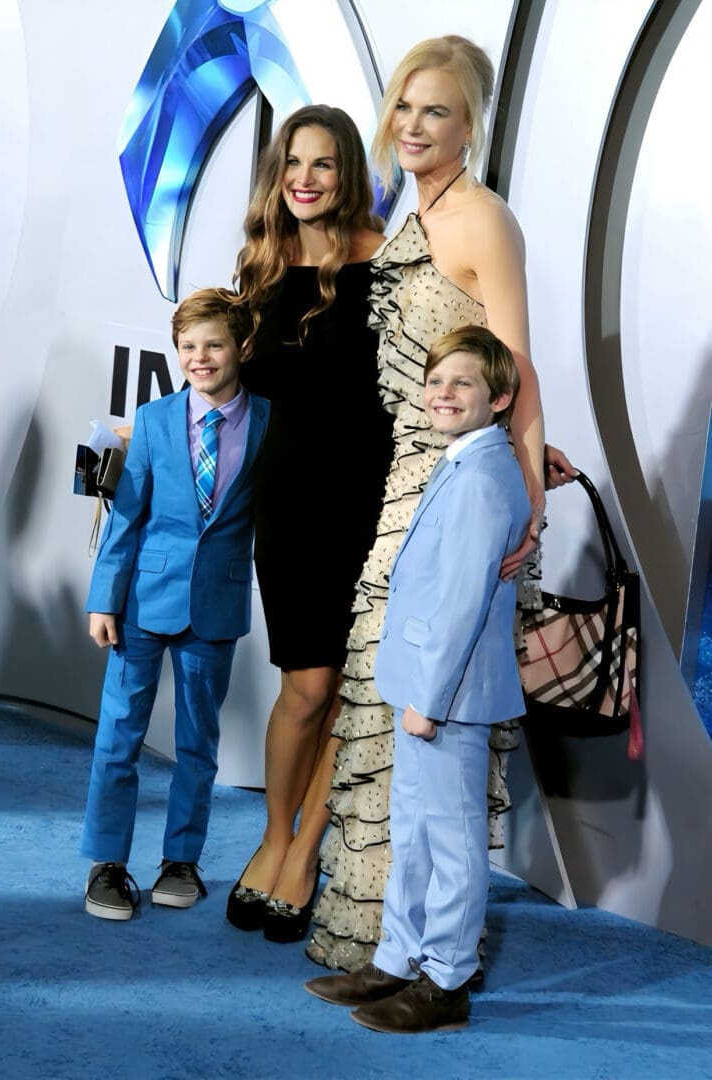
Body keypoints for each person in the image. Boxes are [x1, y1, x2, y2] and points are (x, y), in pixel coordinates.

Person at [308, 35, 576, 971]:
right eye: (406, 107)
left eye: (438, 111)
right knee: (387, 711)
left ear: (470, 126)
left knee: (430, 716)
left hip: (459, 487)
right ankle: (384, 947)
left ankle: (430, 962)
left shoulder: (480, 219)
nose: (415, 126)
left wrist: (528, 495)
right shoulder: (408, 212)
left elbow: (517, 364)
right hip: (402, 485)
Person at [305, 327, 530, 1033]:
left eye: (462, 383)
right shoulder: (465, 461)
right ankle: (397, 959)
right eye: (435, 381)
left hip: (448, 698)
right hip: (425, 689)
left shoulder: (487, 475)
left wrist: (427, 703)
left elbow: (462, 601)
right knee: (413, 834)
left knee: (452, 843)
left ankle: (446, 980)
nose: (443, 393)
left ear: (498, 398)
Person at [225, 105, 394, 942]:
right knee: (306, 687)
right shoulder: (261, 259)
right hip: (287, 501)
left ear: (347, 172)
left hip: (371, 500)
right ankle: (271, 838)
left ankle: (303, 856)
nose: (304, 179)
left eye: (322, 165)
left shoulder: (387, 258)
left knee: (350, 686)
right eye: (294, 162)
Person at [81, 288, 270, 920]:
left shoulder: (270, 421)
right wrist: (103, 599)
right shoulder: (156, 419)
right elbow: (126, 517)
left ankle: (180, 861)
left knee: (198, 744)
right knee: (119, 736)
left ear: (242, 347)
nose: (200, 357)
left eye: (214, 344)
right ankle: (107, 865)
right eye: (188, 346)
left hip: (215, 605)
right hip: (140, 600)